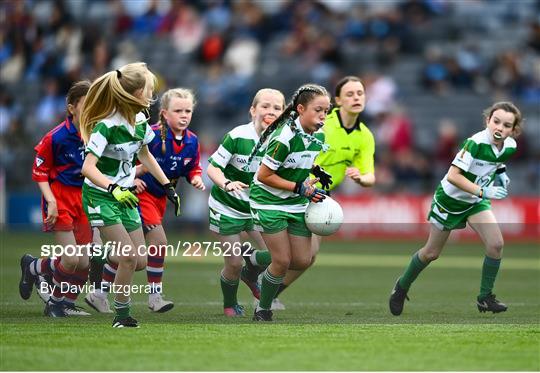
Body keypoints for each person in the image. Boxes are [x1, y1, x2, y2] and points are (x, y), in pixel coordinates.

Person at [245, 76, 376, 309]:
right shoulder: (308, 127)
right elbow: (268, 173)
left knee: (304, 259)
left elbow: (368, 175)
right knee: (289, 258)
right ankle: (265, 298)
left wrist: (325, 175)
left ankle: (259, 270)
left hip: (310, 192)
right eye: (350, 93)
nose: (356, 97)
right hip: (286, 193)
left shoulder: (362, 135)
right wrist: (301, 185)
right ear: (339, 100)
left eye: (360, 93)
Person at [388, 101, 523, 316]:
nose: (500, 128)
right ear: (487, 121)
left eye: (506, 125)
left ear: (513, 130)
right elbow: (453, 176)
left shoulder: (509, 146)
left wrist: (501, 173)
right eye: (496, 121)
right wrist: (483, 191)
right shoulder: (474, 143)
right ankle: (401, 286)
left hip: (475, 202)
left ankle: (485, 298)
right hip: (450, 200)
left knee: (496, 244)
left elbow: (497, 161)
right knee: (431, 253)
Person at [85, 88, 205, 313]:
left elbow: (192, 166)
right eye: (177, 110)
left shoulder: (191, 140)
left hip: (160, 198)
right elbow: (132, 157)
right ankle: (154, 297)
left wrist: (195, 178)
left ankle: (99, 291)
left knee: (135, 258)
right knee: (159, 243)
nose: (184, 115)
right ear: (164, 113)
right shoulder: (150, 132)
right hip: (140, 196)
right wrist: (133, 178)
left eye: (187, 110)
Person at [80, 62, 181, 328]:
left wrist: (167, 185)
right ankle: (121, 315)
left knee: (139, 261)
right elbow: (87, 168)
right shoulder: (106, 126)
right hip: (101, 197)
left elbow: (144, 154)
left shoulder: (140, 121)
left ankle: (98, 258)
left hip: (125, 196)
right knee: (127, 257)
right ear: (134, 93)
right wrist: (113, 188)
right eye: (148, 89)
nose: (152, 95)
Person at [248, 83, 331, 321]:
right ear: (301, 109)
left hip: (295, 202)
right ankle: (263, 309)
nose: (323, 116)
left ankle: (252, 260)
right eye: (318, 110)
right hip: (268, 201)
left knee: (303, 260)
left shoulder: (319, 134)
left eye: (326, 111)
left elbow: (299, 162)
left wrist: (317, 170)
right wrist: (299, 187)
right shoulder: (284, 137)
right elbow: (263, 175)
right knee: (282, 261)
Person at [207, 88, 285, 317]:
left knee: (278, 255)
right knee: (233, 264)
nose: (270, 111)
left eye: (277, 108)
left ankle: (250, 272)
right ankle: (230, 303)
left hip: (259, 209)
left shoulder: (283, 140)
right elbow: (213, 168)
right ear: (253, 111)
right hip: (227, 207)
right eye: (265, 106)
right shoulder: (238, 135)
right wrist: (226, 183)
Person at [20, 80, 93, 317]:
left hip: (84, 199)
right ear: (71, 108)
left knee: (83, 263)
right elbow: (39, 171)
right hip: (60, 197)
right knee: (71, 260)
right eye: (85, 104)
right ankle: (55, 303)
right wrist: (50, 200)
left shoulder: (97, 134)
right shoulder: (57, 137)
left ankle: (33, 267)